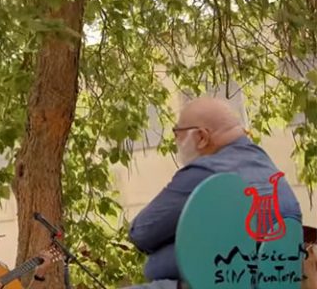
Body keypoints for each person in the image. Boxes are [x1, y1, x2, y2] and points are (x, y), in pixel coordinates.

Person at [126, 97, 302, 288]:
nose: (176, 141)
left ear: (201, 137)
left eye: (178, 133)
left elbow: (142, 233)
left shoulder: (205, 172)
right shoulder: (269, 168)